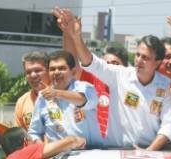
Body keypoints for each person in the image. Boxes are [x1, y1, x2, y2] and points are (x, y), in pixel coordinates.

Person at [59, 13, 171, 150]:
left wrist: (149, 151)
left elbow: (169, 125)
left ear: (157, 62)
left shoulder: (167, 86)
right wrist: (77, 37)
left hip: (150, 152)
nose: (139, 60)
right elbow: (91, 63)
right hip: (114, 151)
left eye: (145, 57)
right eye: (138, 55)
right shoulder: (120, 75)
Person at [53, 7, 129, 138]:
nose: (109, 69)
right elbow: (72, 63)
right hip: (94, 146)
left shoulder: (130, 84)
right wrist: (67, 33)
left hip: (121, 146)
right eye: (106, 64)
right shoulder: (92, 80)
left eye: (115, 65)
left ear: (125, 67)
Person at [28, 50, 102, 145]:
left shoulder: (86, 88)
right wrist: (43, 149)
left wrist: (56, 93)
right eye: (52, 69)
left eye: (62, 68)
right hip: (57, 157)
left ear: (73, 71)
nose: (56, 72)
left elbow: (82, 100)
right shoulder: (43, 97)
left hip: (88, 153)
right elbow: (34, 132)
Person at [14, 51, 50, 130]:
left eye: (38, 70)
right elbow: (22, 137)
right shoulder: (22, 102)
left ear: (49, 71)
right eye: (28, 72)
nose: (33, 75)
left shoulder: (63, 95)